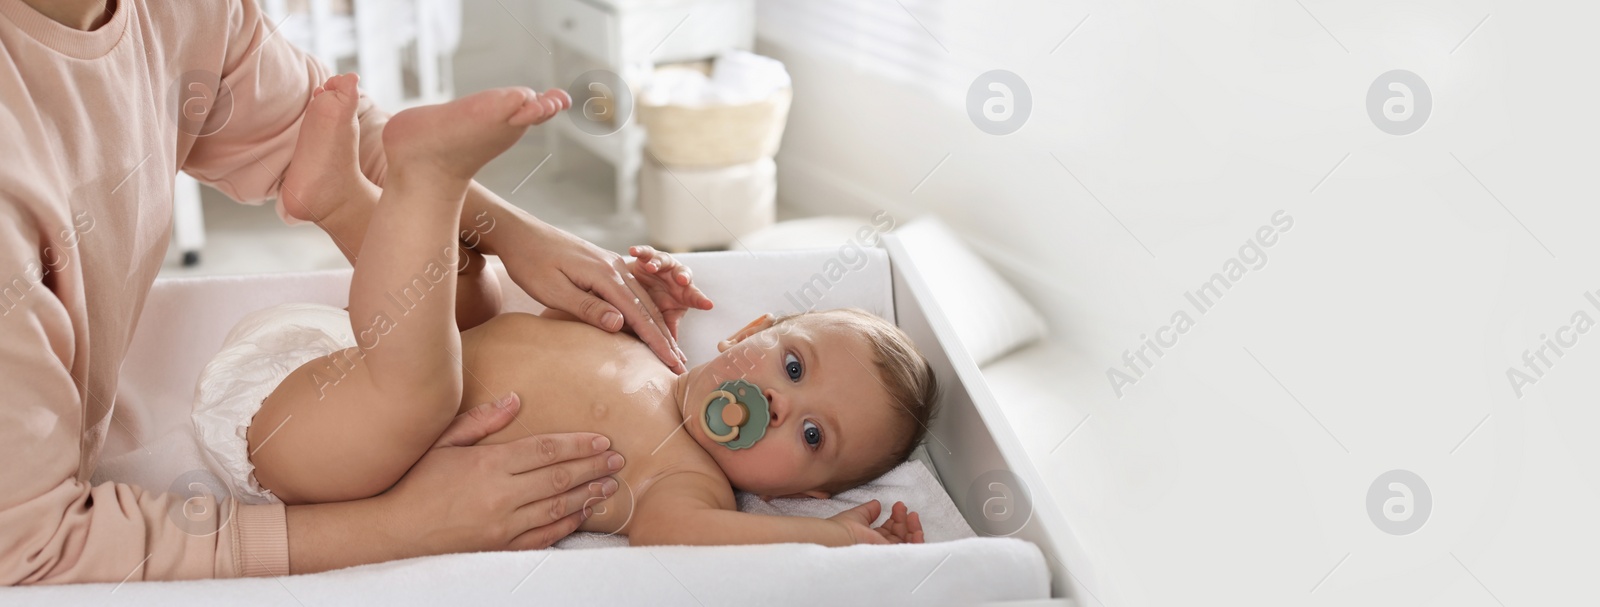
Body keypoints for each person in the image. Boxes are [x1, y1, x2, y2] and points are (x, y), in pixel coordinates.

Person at [0, 0, 693, 583]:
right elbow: (27, 546)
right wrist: (401, 526)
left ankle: (360, 198)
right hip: (253, 412)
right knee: (419, 391)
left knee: (469, 296)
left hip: (315, 363)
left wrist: (518, 236)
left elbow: (321, 127)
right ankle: (427, 182)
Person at [200, 74, 939, 546]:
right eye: (791, 362)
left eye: (812, 433)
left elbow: (688, 538)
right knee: (477, 297)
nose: (777, 401)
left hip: (311, 445)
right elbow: (542, 328)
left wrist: (826, 540)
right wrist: (635, 301)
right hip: (333, 357)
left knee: (425, 389)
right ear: (750, 332)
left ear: (802, 493)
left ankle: (426, 178)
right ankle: (337, 197)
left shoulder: (688, 481)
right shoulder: (647, 352)